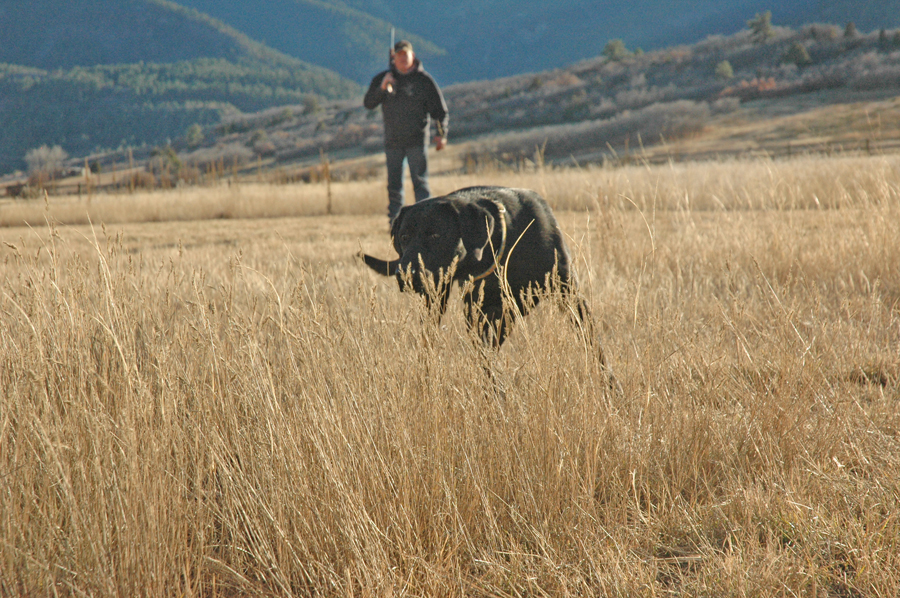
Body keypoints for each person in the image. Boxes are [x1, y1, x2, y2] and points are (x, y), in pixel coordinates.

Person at [364, 40, 449, 224]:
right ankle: (395, 224)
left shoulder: (423, 80)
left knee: (421, 184)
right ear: (393, 57)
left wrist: (441, 134)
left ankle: (426, 223)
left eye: (406, 55)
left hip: (417, 141)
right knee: (394, 187)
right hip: (392, 142)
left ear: (413, 56)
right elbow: (368, 103)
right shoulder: (383, 78)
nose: (403, 58)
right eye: (399, 55)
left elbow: (440, 111)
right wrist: (382, 87)